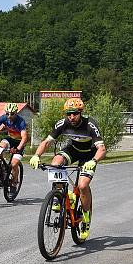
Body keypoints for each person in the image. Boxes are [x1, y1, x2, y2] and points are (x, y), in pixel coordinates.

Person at [29, 98, 106, 240]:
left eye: (75, 113)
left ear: (81, 112)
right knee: (56, 162)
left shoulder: (90, 125)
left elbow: (101, 149)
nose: (71, 117)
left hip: (89, 155)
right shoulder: (62, 123)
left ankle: (86, 218)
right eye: (69, 114)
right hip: (73, 149)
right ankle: (61, 195)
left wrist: (94, 161)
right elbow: (47, 142)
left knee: (82, 185)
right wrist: (36, 155)